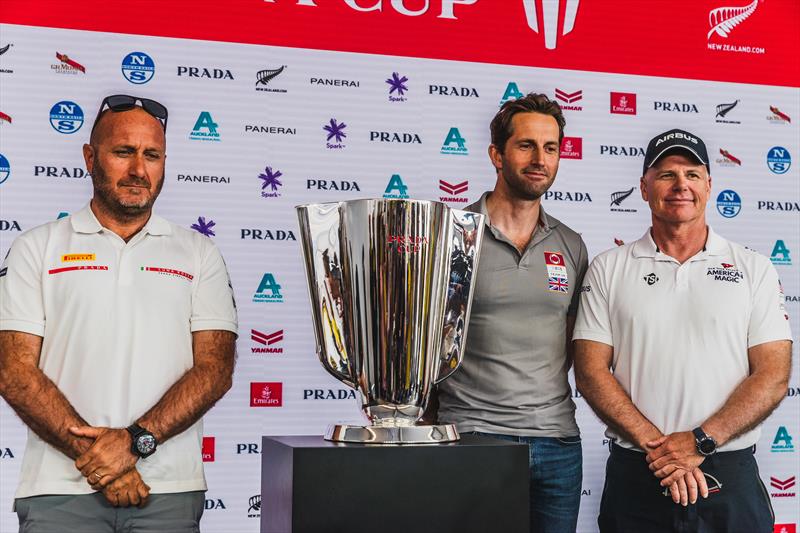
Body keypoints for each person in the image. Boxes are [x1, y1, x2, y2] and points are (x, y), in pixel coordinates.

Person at [0, 94, 238, 532]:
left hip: (168, 490)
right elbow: (14, 371)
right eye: (123, 152)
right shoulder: (37, 246)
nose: (138, 170)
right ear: (90, 157)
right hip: (58, 490)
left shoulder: (199, 253)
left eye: (152, 155)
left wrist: (134, 443)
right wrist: (102, 461)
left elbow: (215, 368)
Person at [573, 128, 792, 532]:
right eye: (666, 174)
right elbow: (590, 371)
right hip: (639, 473)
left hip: (729, 476)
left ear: (709, 185)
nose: (681, 185)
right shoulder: (608, 267)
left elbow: (773, 374)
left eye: (692, 174)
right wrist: (665, 452)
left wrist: (700, 442)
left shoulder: (753, 268)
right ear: (643, 187)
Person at [432, 92, 588, 533]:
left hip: (558, 443)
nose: (540, 158)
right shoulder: (451, 236)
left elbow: (575, 341)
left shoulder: (571, 244)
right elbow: (425, 341)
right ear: (496, 154)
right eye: (526, 145)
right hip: (475, 437)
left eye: (551, 147)